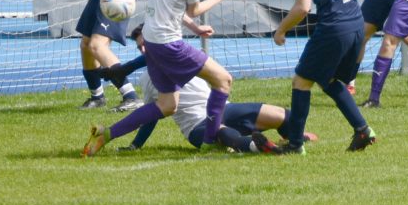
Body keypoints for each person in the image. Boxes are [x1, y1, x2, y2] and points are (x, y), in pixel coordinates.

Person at [82, 0, 240, 157]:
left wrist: (195, 30)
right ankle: (210, 140)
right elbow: (193, 10)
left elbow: (171, 6)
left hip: (152, 40)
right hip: (169, 43)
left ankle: (106, 134)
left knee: (167, 105)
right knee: (223, 80)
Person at [104, 25, 318, 154]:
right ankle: (258, 147)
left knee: (284, 115)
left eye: (146, 44)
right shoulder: (148, 78)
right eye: (140, 46)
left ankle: (292, 139)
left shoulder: (184, 57)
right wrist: (136, 145)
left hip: (223, 109)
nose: (144, 49)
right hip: (197, 126)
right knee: (223, 133)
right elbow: (151, 115)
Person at [273, 0, 376, 154]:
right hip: (355, 23)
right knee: (329, 80)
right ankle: (362, 130)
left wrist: (281, 30)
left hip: (333, 28)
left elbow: (303, 8)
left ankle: (295, 144)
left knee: (301, 82)